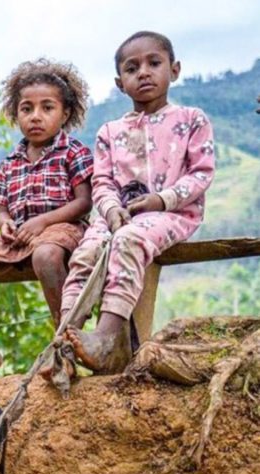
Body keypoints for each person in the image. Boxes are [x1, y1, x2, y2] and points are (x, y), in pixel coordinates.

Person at [60, 31, 215, 374]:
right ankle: (62, 350)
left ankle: (104, 337)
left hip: (173, 213)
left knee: (129, 240)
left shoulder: (192, 119)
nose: (144, 72)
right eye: (132, 68)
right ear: (120, 83)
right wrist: (111, 210)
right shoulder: (110, 132)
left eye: (154, 63)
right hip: (117, 216)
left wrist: (162, 199)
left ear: (174, 70)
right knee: (87, 250)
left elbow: (201, 174)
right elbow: (102, 182)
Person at [0, 59, 94, 379]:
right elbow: (2, 208)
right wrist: (4, 223)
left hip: (62, 229)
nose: (35, 116)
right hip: (19, 236)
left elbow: (84, 202)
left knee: (47, 256)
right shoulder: (10, 162)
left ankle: (66, 342)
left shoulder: (73, 152)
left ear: (64, 114)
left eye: (47, 108)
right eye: (26, 108)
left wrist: (44, 222)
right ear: (16, 114)